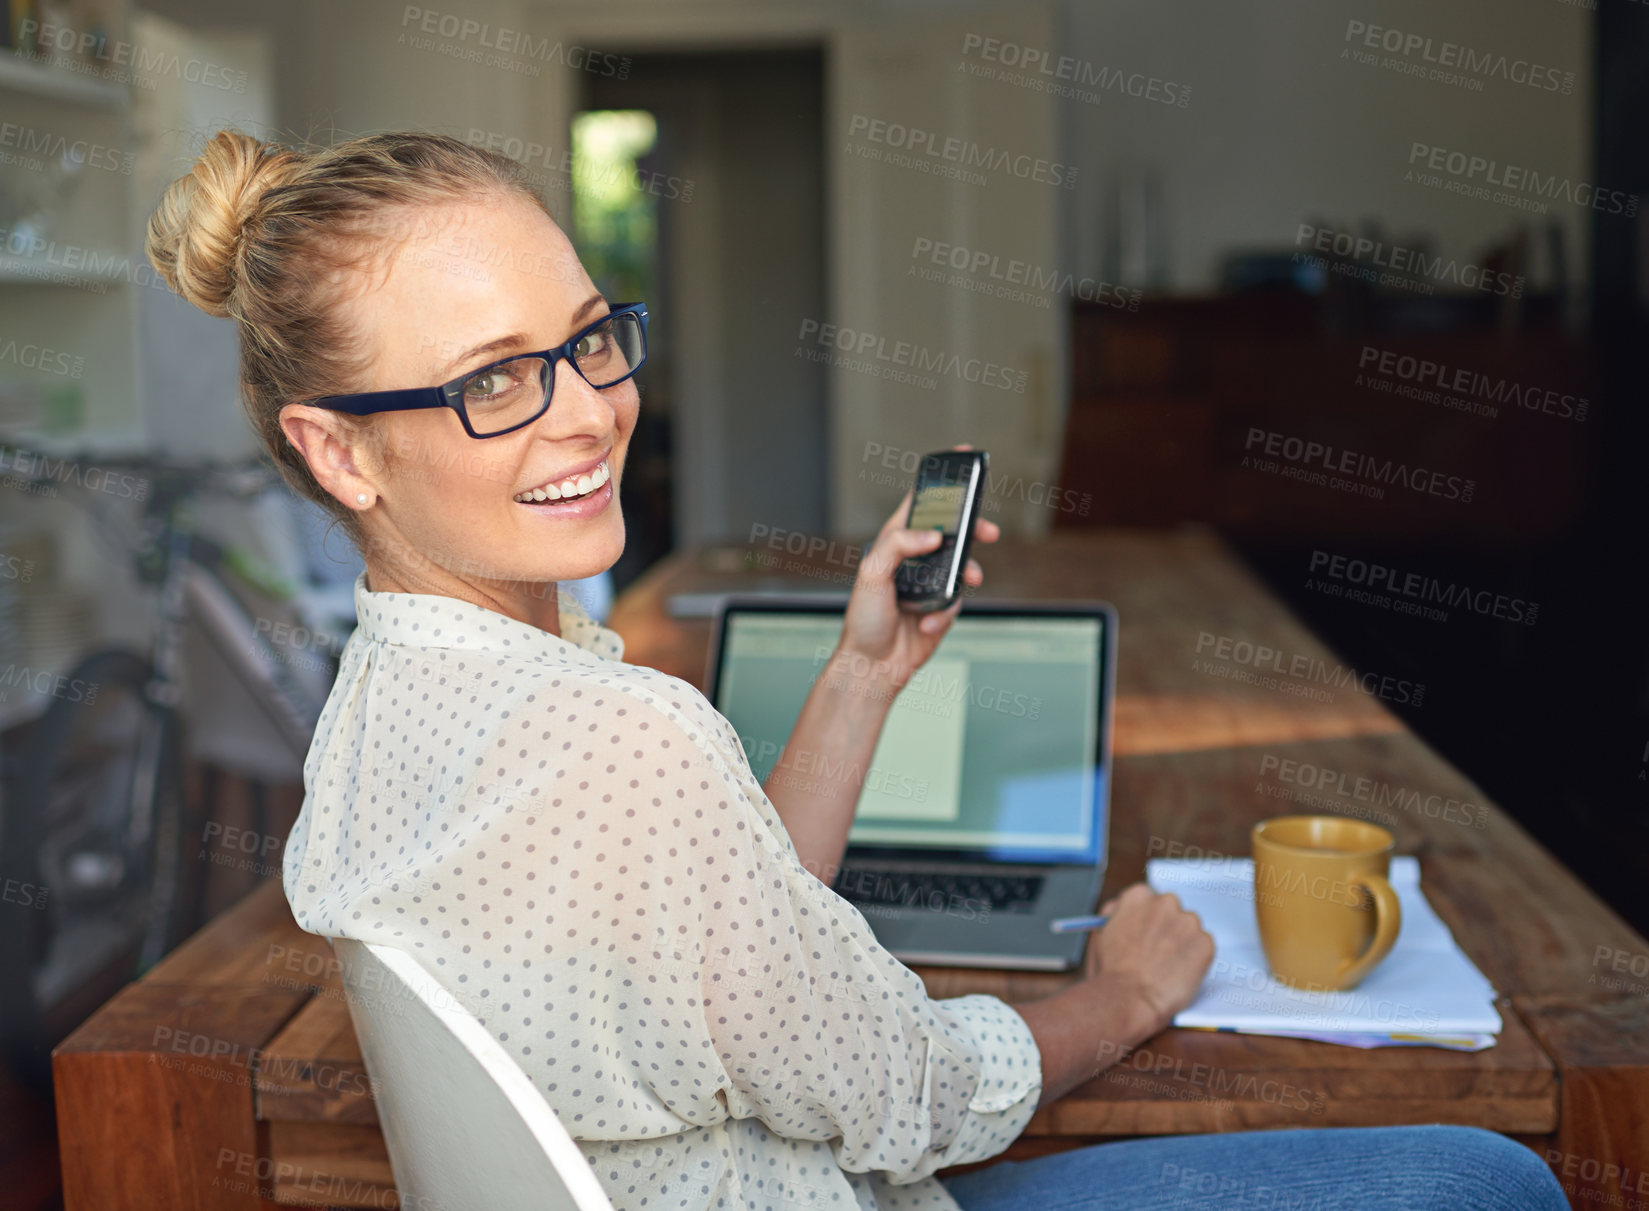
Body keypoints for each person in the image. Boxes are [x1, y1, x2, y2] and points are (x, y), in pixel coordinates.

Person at [145, 129, 1567, 1211]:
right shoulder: (620, 737)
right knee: (1487, 1177)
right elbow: (908, 1095)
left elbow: (714, 940)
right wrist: (1122, 995)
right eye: (492, 378)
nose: (587, 410)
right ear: (336, 447)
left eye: (587, 337)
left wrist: (861, 675)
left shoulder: (381, 714)